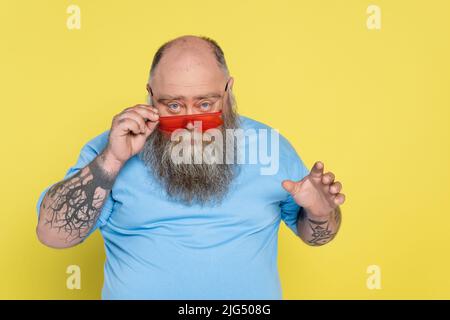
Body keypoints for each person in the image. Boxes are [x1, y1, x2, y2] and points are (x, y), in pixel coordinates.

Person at [36, 35, 345, 299]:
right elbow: (53, 236)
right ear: (151, 95)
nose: (191, 122)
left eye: (206, 103)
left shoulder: (271, 148)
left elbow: (317, 235)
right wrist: (112, 160)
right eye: (173, 105)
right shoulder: (112, 147)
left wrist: (320, 212)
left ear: (228, 91)